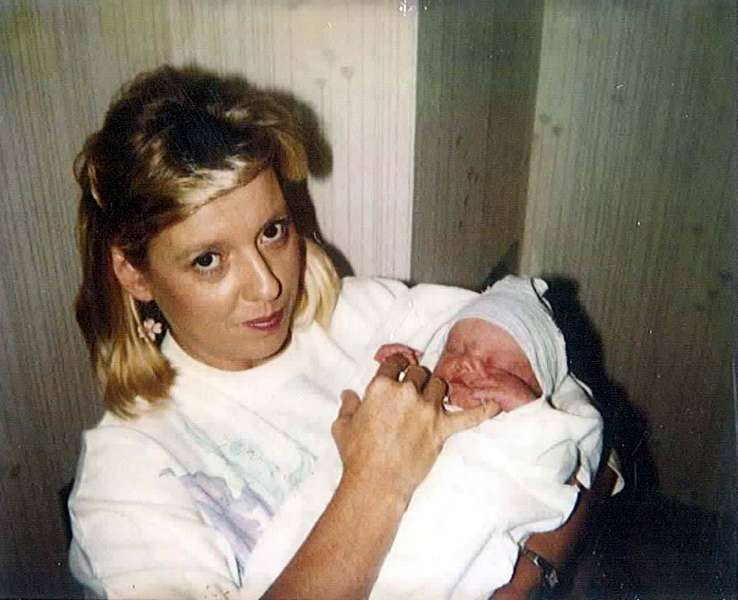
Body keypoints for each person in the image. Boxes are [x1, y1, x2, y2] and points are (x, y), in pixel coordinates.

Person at [67, 65, 619, 599]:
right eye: (209, 259)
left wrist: (527, 577)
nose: (267, 285)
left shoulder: (366, 313)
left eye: (273, 231)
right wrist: (379, 477)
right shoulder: (128, 474)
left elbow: (582, 428)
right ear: (134, 273)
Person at [239, 276, 613, 599]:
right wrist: (396, 365)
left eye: (496, 365)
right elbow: (377, 422)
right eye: (455, 349)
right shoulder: (425, 396)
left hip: (445, 549)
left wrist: (528, 412)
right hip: (345, 546)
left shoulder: (520, 427)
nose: (468, 363)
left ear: (538, 387)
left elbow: (559, 461)